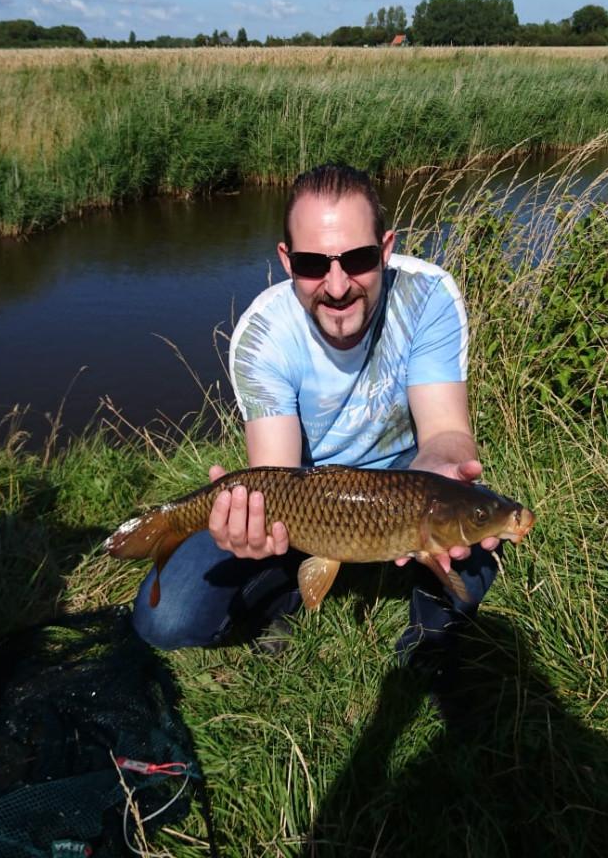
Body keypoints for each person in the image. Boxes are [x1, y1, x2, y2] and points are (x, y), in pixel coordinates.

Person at [131, 164, 504, 677]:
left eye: (357, 259)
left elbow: (444, 433)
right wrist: (252, 531)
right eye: (312, 263)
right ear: (287, 261)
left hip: (404, 475)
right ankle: (278, 600)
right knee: (163, 617)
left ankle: (429, 636)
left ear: (386, 248)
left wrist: (441, 473)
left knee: (477, 536)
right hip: (307, 489)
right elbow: (276, 475)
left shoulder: (428, 296)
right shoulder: (263, 334)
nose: (336, 285)